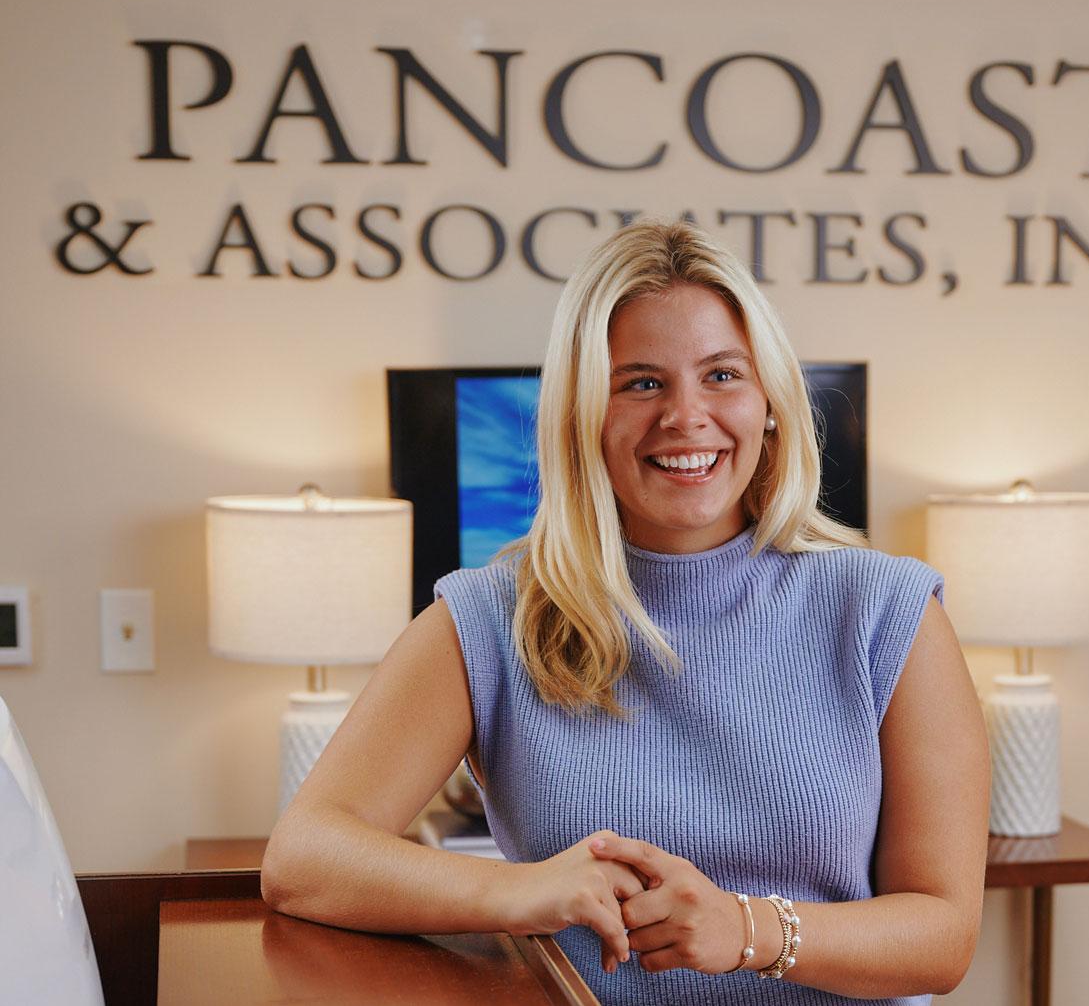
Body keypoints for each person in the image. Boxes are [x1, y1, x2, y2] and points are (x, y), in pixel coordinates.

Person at [261, 219, 990, 1005]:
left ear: (771, 401)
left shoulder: (887, 612)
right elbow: (304, 858)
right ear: (583, 416)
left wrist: (746, 929)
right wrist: (517, 891)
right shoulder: (489, 618)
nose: (686, 416)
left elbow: (942, 936)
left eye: (722, 375)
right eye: (641, 382)